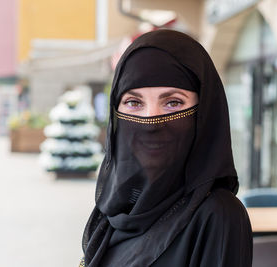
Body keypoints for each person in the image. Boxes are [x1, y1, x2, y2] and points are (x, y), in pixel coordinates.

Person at [81, 29, 253, 267]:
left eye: (173, 102)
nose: (151, 120)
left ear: (203, 114)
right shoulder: (114, 208)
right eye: (134, 102)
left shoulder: (218, 215)